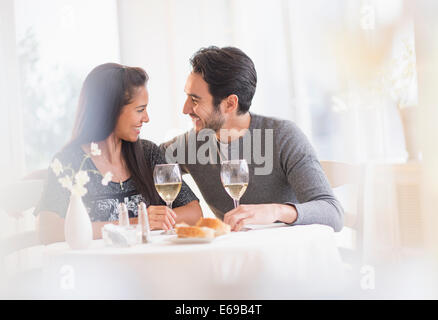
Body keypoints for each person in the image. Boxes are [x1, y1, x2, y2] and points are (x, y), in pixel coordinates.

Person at [161, 46, 344, 232]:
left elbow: (332, 213)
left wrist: (276, 211)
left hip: (287, 255)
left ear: (230, 103)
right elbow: (145, 160)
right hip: (235, 257)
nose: (185, 109)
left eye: (195, 100)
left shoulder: (283, 137)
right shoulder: (192, 144)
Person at [35, 63, 202, 244]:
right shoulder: (71, 162)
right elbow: (47, 230)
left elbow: (194, 212)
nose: (146, 118)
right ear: (110, 111)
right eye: (140, 110)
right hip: (97, 269)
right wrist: (136, 222)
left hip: (149, 264)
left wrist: (158, 219)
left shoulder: (148, 153)